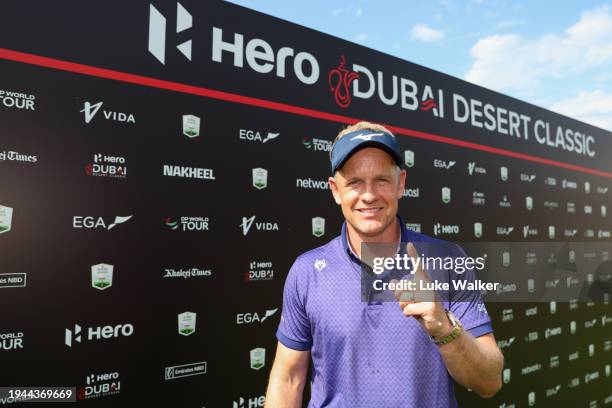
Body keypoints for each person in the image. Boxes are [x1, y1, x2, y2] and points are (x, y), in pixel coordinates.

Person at [265, 121, 503, 407]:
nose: (369, 195)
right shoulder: (306, 271)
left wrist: (444, 328)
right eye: (354, 182)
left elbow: (489, 382)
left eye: (381, 180)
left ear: (401, 183)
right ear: (335, 190)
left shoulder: (448, 259)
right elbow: (288, 378)